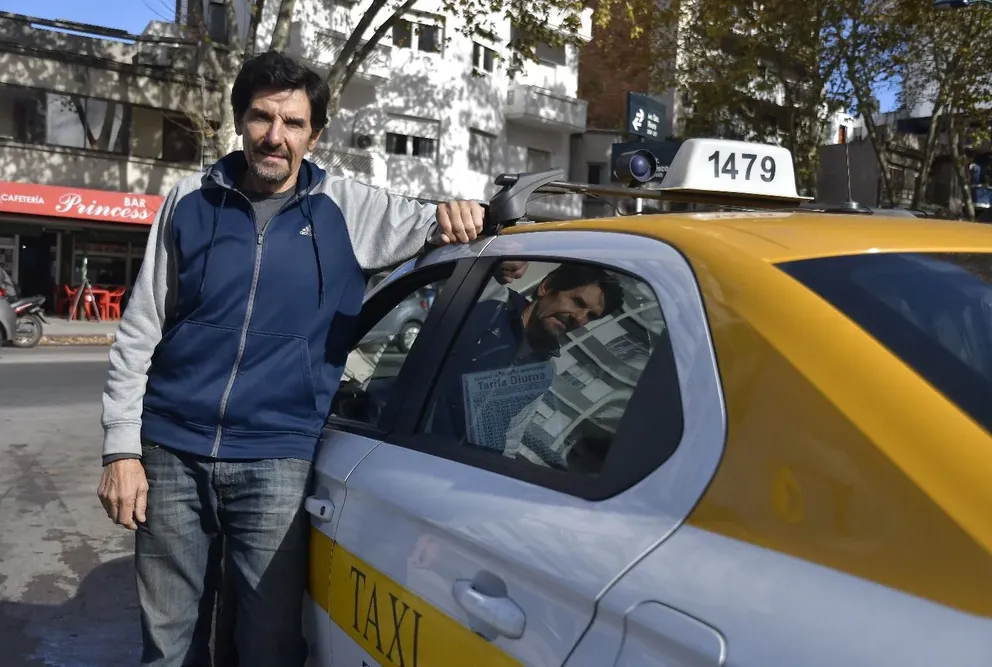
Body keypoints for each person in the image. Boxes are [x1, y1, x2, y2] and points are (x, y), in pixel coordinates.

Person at [96, 50, 484, 667]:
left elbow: (444, 226)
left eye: (294, 123)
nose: (275, 137)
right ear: (239, 120)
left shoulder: (350, 208)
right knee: (169, 641)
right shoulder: (187, 201)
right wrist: (122, 449)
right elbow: (140, 329)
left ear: (316, 133)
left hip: (276, 459)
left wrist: (479, 222)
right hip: (169, 449)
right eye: (261, 117)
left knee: (270, 643)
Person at [424, 262, 624, 457]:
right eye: (578, 302)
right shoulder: (490, 302)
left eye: (591, 316)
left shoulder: (544, 371)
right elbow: (442, 263)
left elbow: (510, 442)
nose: (580, 319)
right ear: (546, 287)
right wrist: (497, 259)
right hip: (415, 452)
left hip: (466, 475)